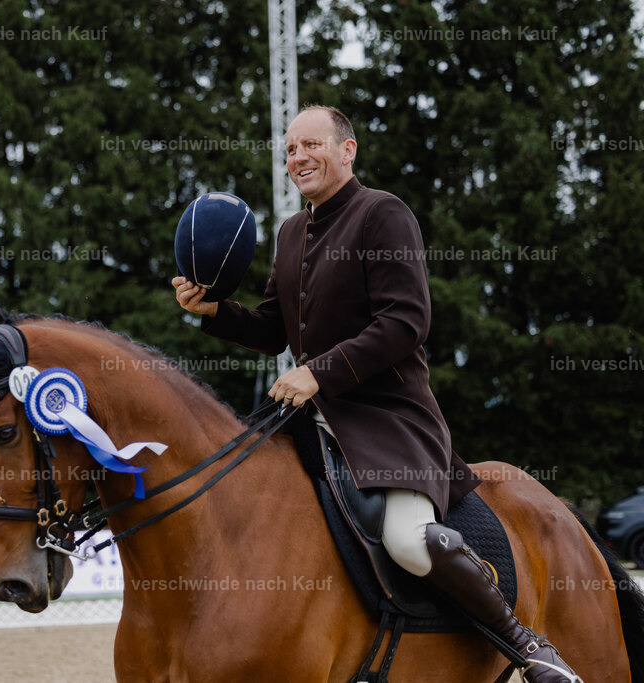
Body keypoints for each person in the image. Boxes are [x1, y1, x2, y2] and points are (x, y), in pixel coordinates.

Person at [172, 105, 580, 682]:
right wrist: (212, 310)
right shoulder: (293, 232)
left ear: (348, 150)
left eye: (311, 144)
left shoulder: (382, 214)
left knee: (408, 540)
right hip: (309, 415)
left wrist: (319, 372)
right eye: (290, 149)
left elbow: (405, 322)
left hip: (388, 419)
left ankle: (528, 645)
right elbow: (273, 328)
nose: (298, 158)